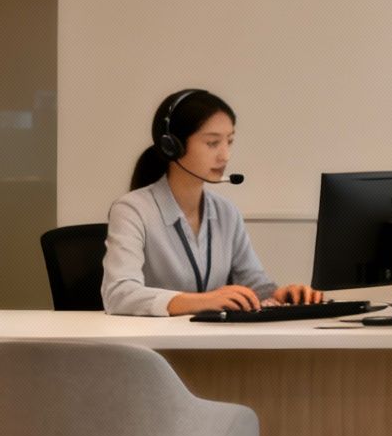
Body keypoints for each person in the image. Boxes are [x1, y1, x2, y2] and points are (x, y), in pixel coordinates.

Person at [102, 88, 325, 316]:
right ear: (172, 145)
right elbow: (119, 294)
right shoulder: (132, 210)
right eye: (212, 143)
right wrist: (203, 301)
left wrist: (283, 294)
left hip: (212, 344)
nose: (225, 155)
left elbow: (255, 286)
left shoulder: (227, 213)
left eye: (229, 141)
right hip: (154, 345)